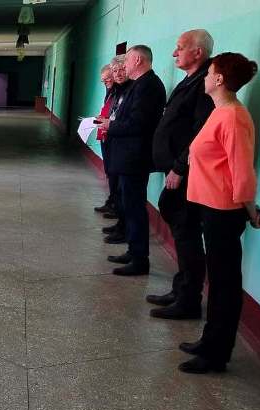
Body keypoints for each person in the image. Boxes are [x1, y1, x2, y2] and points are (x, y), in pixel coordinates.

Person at [179, 52, 260, 374]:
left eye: (208, 73)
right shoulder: (220, 112)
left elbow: (242, 172)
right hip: (210, 206)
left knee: (224, 284)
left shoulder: (233, 117)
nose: (203, 78)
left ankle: (216, 354)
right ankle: (209, 341)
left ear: (219, 79)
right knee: (217, 281)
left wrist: (251, 211)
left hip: (224, 211)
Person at [146, 29, 216, 320]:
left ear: (197, 52)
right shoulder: (191, 80)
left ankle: (188, 300)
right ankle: (181, 289)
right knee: (181, 231)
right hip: (175, 168)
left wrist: (179, 166)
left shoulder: (205, 84)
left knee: (187, 234)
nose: (174, 53)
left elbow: (200, 133)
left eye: (180, 47)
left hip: (187, 173)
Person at [99, 45, 166, 276]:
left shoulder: (148, 86)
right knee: (130, 205)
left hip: (135, 158)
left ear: (137, 60)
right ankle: (134, 250)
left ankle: (139, 259)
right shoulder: (139, 84)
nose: (123, 66)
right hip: (128, 156)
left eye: (126, 61)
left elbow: (139, 124)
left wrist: (111, 125)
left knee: (135, 207)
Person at [100, 55, 131, 245]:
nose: (118, 74)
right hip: (113, 140)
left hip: (126, 148)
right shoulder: (117, 91)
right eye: (115, 71)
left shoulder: (132, 90)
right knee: (115, 183)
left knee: (125, 192)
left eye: (121, 70)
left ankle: (125, 229)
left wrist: (110, 124)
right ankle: (120, 224)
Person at [93, 64, 115, 214]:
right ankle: (111, 201)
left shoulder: (121, 92)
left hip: (114, 135)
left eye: (107, 79)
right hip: (105, 134)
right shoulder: (110, 92)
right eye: (103, 80)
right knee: (109, 171)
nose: (105, 83)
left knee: (114, 173)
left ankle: (115, 204)